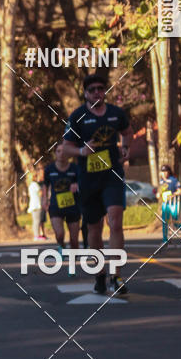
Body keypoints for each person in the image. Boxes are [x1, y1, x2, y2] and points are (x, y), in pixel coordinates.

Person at [62, 74, 132, 296]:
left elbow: (127, 132)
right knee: (94, 229)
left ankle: (117, 275)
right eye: (92, 89)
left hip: (112, 175)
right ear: (85, 93)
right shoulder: (77, 117)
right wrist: (82, 151)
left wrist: (125, 148)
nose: (96, 92)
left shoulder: (116, 114)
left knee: (115, 220)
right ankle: (100, 273)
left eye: (101, 88)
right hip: (89, 179)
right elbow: (66, 148)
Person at [42, 143, 80, 263]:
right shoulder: (49, 169)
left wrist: (77, 185)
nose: (61, 154)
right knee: (59, 234)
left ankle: (73, 263)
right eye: (58, 151)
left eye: (64, 151)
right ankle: (61, 246)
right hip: (56, 205)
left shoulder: (75, 168)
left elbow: (83, 182)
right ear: (55, 153)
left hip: (73, 206)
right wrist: (44, 200)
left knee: (74, 240)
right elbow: (45, 186)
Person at [159, 165, 181, 245]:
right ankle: (165, 240)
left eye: (165, 171)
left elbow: (180, 190)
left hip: (173, 203)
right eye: (162, 171)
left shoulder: (174, 180)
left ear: (169, 172)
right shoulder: (161, 181)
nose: (164, 173)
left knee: (175, 220)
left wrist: (173, 194)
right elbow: (161, 190)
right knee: (164, 221)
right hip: (165, 204)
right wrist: (159, 194)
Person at [27, 169, 47, 241]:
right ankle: (36, 235)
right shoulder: (35, 184)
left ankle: (37, 235)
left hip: (33, 205)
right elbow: (40, 193)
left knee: (36, 221)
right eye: (35, 176)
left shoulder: (30, 185)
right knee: (37, 221)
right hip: (36, 205)